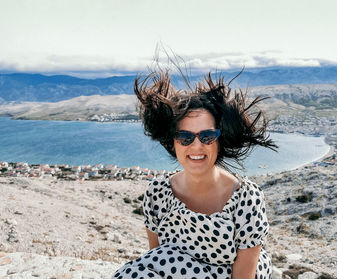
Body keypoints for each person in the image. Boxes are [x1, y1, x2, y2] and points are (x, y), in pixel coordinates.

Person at [112, 70, 277, 279]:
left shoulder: (246, 198)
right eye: (184, 137)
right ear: (172, 141)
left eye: (207, 136)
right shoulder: (156, 193)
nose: (197, 146)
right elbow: (154, 260)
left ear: (220, 139)